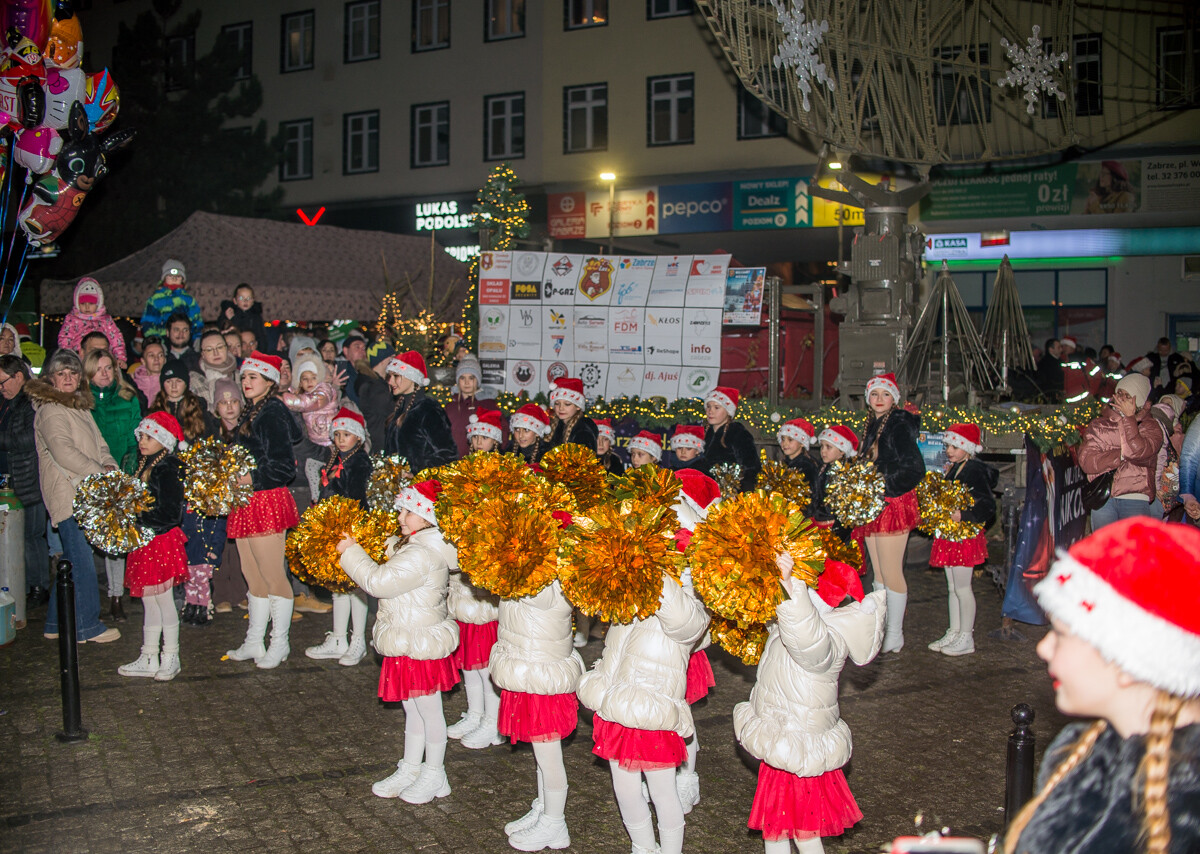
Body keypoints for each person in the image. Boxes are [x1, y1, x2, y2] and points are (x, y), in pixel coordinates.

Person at [1002, 518, 1200, 854]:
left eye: (1061, 635)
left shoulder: (1185, 803)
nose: (1042, 648)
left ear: (1128, 660)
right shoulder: (1078, 748)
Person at [577, 475, 711, 854]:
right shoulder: (633, 586)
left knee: (662, 790)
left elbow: (685, 624)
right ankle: (642, 845)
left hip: (651, 708)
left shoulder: (688, 600)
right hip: (619, 700)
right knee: (622, 785)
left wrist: (660, 572)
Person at [736, 552, 885, 854]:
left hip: (801, 748)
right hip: (784, 741)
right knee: (775, 830)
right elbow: (786, 627)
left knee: (805, 834)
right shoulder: (793, 626)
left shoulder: (826, 640)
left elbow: (804, 636)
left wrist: (791, 587)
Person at [338, 480, 460, 804]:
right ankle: (411, 766)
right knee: (413, 709)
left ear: (429, 516)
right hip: (409, 639)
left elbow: (378, 582)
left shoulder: (423, 554)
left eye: (410, 511)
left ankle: (435, 772)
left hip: (420, 643)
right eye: (402, 509)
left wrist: (351, 553)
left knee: (429, 711)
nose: (402, 516)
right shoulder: (415, 547)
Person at [489, 522, 586, 853]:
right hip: (526, 669)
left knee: (549, 756)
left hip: (543, 677)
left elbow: (531, 592)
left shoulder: (553, 584)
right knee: (540, 754)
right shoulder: (530, 573)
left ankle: (556, 822)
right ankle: (545, 807)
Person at [28, 349, 121, 643]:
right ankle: (87, 626)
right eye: (61, 374)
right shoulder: (51, 410)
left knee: (71, 560)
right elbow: (64, 452)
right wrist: (100, 472)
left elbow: (100, 443)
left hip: (85, 489)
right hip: (69, 494)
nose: (68, 379)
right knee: (80, 561)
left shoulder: (78, 406)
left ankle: (55, 623)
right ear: (51, 378)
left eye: (73, 373)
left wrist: (109, 464)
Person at [225, 352, 302, 670]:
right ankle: (255, 640)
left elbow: (284, 467)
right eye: (243, 377)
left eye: (253, 377)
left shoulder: (271, 411)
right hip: (248, 500)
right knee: (252, 576)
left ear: (270, 381)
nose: (246, 382)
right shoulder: (252, 411)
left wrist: (249, 477)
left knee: (273, 576)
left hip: (266, 500)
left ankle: (280, 643)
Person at [445, 410, 504, 748]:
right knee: (467, 657)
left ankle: (493, 719)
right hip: (463, 583)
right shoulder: (462, 475)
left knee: (484, 660)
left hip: (484, 584)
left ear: (496, 441)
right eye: (475, 438)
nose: (478, 443)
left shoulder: (502, 479)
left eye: (484, 438)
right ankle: (475, 711)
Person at [854, 373, 924, 653]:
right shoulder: (874, 423)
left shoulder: (898, 423)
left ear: (894, 398)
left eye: (885, 394)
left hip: (892, 502)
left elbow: (915, 468)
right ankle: (881, 628)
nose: (879, 399)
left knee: (892, 571)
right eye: (874, 394)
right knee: (879, 573)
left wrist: (883, 485)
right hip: (875, 502)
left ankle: (895, 633)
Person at [117, 412, 189, 682]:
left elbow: (171, 513)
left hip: (160, 541)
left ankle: (171, 655)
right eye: (141, 437)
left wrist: (138, 519)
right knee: (149, 600)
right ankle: (149, 655)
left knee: (163, 599)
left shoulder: (167, 468)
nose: (142, 441)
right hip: (145, 540)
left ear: (163, 440)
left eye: (149, 437)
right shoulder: (145, 464)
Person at [300, 408, 372, 666]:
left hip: (352, 528)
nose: (341, 439)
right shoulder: (336, 459)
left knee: (354, 586)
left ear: (358, 438)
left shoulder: (359, 461)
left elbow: (353, 495)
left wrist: (332, 482)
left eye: (347, 434)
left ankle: (358, 641)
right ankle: (339, 637)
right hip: (335, 525)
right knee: (337, 584)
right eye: (337, 434)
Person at [673, 470, 721, 816]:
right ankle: (667, 771)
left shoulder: (696, 536)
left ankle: (687, 777)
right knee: (668, 712)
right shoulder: (671, 525)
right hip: (662, 635)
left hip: (684, 641)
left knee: (682, 714)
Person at [84, 348, 143, 623]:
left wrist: (129, 467)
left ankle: (117, 596)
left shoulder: (128, 397)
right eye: (98, 369)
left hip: (121, 474)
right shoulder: (82, 403)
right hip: (90, 475)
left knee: (118, 541)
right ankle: (86, 598)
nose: (105, 373)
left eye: (108, 367)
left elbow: (135, 437)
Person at [927, 424, 996, 658]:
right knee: (952, 587)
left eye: (955, 446)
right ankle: (955, 630)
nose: (949, 450)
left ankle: (967, 635)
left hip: (964, 535)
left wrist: (964, 516)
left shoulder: (974, 469)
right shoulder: (955, 468)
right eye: (948, 445)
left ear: (968, 447)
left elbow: (987, 505)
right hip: (951, 534)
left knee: (963, 588)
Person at [1077, 373, 1164, 530]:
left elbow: (1137, 452)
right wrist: (1121, 455)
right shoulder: (1098, 425)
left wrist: (1129, 419)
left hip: (1135, 498)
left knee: (1133, 551)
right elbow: (1087, 461)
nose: (1122, 398)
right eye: (1119, 393)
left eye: (1128, 395)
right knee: (1105, 551)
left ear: (1140, 400)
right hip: (1103, 498)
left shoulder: (1151, 427)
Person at [0, 355, 50, 607]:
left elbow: (26, 440)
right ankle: (22, 585)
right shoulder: (6, 401)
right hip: (9, 481)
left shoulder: (31, 402)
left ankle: (40, 587)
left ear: (18, 377)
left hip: (29, 480)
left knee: (32, 537)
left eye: (3, 382)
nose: (1, 387)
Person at [209, 378, 247, 614]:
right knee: (220, 544)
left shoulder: (247, 430)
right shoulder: (213, 433)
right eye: (224, 403)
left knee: (241, 545)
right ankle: (221, 593)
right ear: (216, 407)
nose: (230, 407)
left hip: (242, 494)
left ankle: (242, 592)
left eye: (234, 401)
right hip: (221, 494)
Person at [383, 351, 456, 473]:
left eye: (396, 376)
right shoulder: (400, 407)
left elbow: (446, 454)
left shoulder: (429, 409)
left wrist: (417, 474)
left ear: (411, 377)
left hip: (420, 488)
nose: (390, 381)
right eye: (389, 376)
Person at [280, 354, 339, 499]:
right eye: (305, 379)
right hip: (316, 443)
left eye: (313, 377)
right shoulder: (303, 395)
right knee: (312, 470)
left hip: (331, 442)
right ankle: (316, 496)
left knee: (333, 475)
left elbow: (308, 403)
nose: (310, 382)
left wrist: (283, 398)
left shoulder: (324, 390)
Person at [58, 277, 127, 367]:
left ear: (98, 303)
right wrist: (67, 358)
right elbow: (65, 339)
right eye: (83, 304)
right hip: (81, 360)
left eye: (91, 304)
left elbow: (116, 339)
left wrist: (120, 358)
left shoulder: (106, 320)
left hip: (103, 359)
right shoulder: (72, 319)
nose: (87, 307)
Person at [702, 386, 760, 492]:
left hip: (730, 493)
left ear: (728, 411)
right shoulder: (706, 432)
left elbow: (750, 467)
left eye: (716, 407)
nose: (710, 411)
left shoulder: (738, 432)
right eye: (708, 407)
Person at [445, 355, 502, 459]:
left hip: (479, 464)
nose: (467, 382)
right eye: (462, 378)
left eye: (471, 378)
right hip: (452, 462)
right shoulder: (450, 406)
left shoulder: (488, 404)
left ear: (478, 380)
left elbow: (501, 435)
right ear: (458, 381)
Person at [151, 357, 216, 442]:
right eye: (169, 381)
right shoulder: (155, 411)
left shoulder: (198, 407)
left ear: (186, 384)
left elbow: (210, 438)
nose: (173, 386)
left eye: (178, 381)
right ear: (163, 384)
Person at [811, 426, 858, 541]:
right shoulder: (823, 469)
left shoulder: (844, 474)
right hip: (820, 524)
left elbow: (846, 511)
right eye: (822, 446)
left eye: (828, 447)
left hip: (835, 529)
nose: (823, 451)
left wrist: (838, 535)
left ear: (842, 451)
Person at [141, 259, 202, 340]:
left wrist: (196, 339)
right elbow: (148, 322)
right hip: (162, 339)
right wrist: (155, 340)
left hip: (184, 340)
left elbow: (197, 322)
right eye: (170, 276)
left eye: (178, 276)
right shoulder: (155, 300)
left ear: (182, 280)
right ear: (164, 278)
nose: (174, 279)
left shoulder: (188, 300)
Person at [355, 341, 395, 450]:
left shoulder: (378, 382)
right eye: (391, 358)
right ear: (382, 360)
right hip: (378, 441)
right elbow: (390, 411)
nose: (394, 361)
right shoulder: (373, 387)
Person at [189, 328, 239, 410]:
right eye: (209, 350)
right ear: (203, 354)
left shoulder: (239, 374)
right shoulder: (195, 378)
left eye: (219, 347)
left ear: (226, 348)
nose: (216, 353)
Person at [546, 377, 598, 452]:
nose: (561, 408)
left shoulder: (583, 431)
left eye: (567, 404)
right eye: (557, 403)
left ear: (578, 406)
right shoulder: (554, 425)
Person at [219, 283, 267, 352]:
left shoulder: (256, 317)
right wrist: (232, 319)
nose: (245, 301)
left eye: (249, 298)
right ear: (235, 301)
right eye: (241, 298)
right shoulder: (229, 313)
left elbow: (261, 337)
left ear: (253, 301)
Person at [776, 418, 818, 483]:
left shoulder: (807, 467)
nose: (785, 443)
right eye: (783, 439)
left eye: (790, 439)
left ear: (802, 443)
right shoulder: (783, 464)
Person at [129, 336, 166, 402]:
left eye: (160, 355)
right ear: (143, 361)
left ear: (165, 360)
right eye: (151, 355)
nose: (156, 359)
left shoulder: (170, 383)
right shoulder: (133, 383)